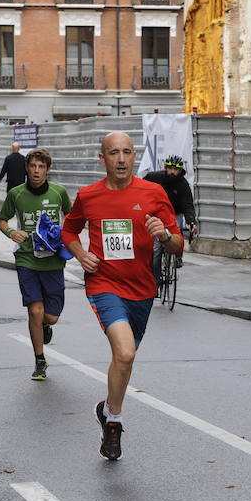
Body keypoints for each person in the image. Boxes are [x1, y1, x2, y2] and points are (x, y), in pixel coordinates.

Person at [62, 131, 183, 460]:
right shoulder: (88, 196)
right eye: (113, 153)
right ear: (102, 159)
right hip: (104, 284)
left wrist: (165, 234)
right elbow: (69, 230)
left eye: (127, 152)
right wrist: (80, 254)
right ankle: (114, 423)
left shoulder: (153, 193)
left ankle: (106, 409)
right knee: (126, 353)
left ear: (134, 157)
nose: (121, 159)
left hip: (142, 288)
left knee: (123, 360)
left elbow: (178, 243)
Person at [0, 148, 72, 381]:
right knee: (35, 311)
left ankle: (46, 327)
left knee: (51, 317)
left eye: (41, 167)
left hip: (53, 261)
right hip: (27, 259)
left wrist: (63, 234)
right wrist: (11, 232)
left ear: (48, 170)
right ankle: (40, 360)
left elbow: (70, 216)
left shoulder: (59, 192)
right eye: (33, 167)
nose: (36, 171)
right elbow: (1, 220)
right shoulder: (16, 194)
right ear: (27, 169)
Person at [143, 155, 197, 279]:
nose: (172, 172)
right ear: (166, 168)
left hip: (174, 214)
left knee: (177, 236)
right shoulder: (153, 177)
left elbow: (188, 205)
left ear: (180, 170)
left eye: (176, 169)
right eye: (170, 168)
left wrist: (191, 221)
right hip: (156, 214)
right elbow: (140, 189)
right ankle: (156, 279)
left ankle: (178, 256)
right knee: (156, 249)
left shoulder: (183, 185)